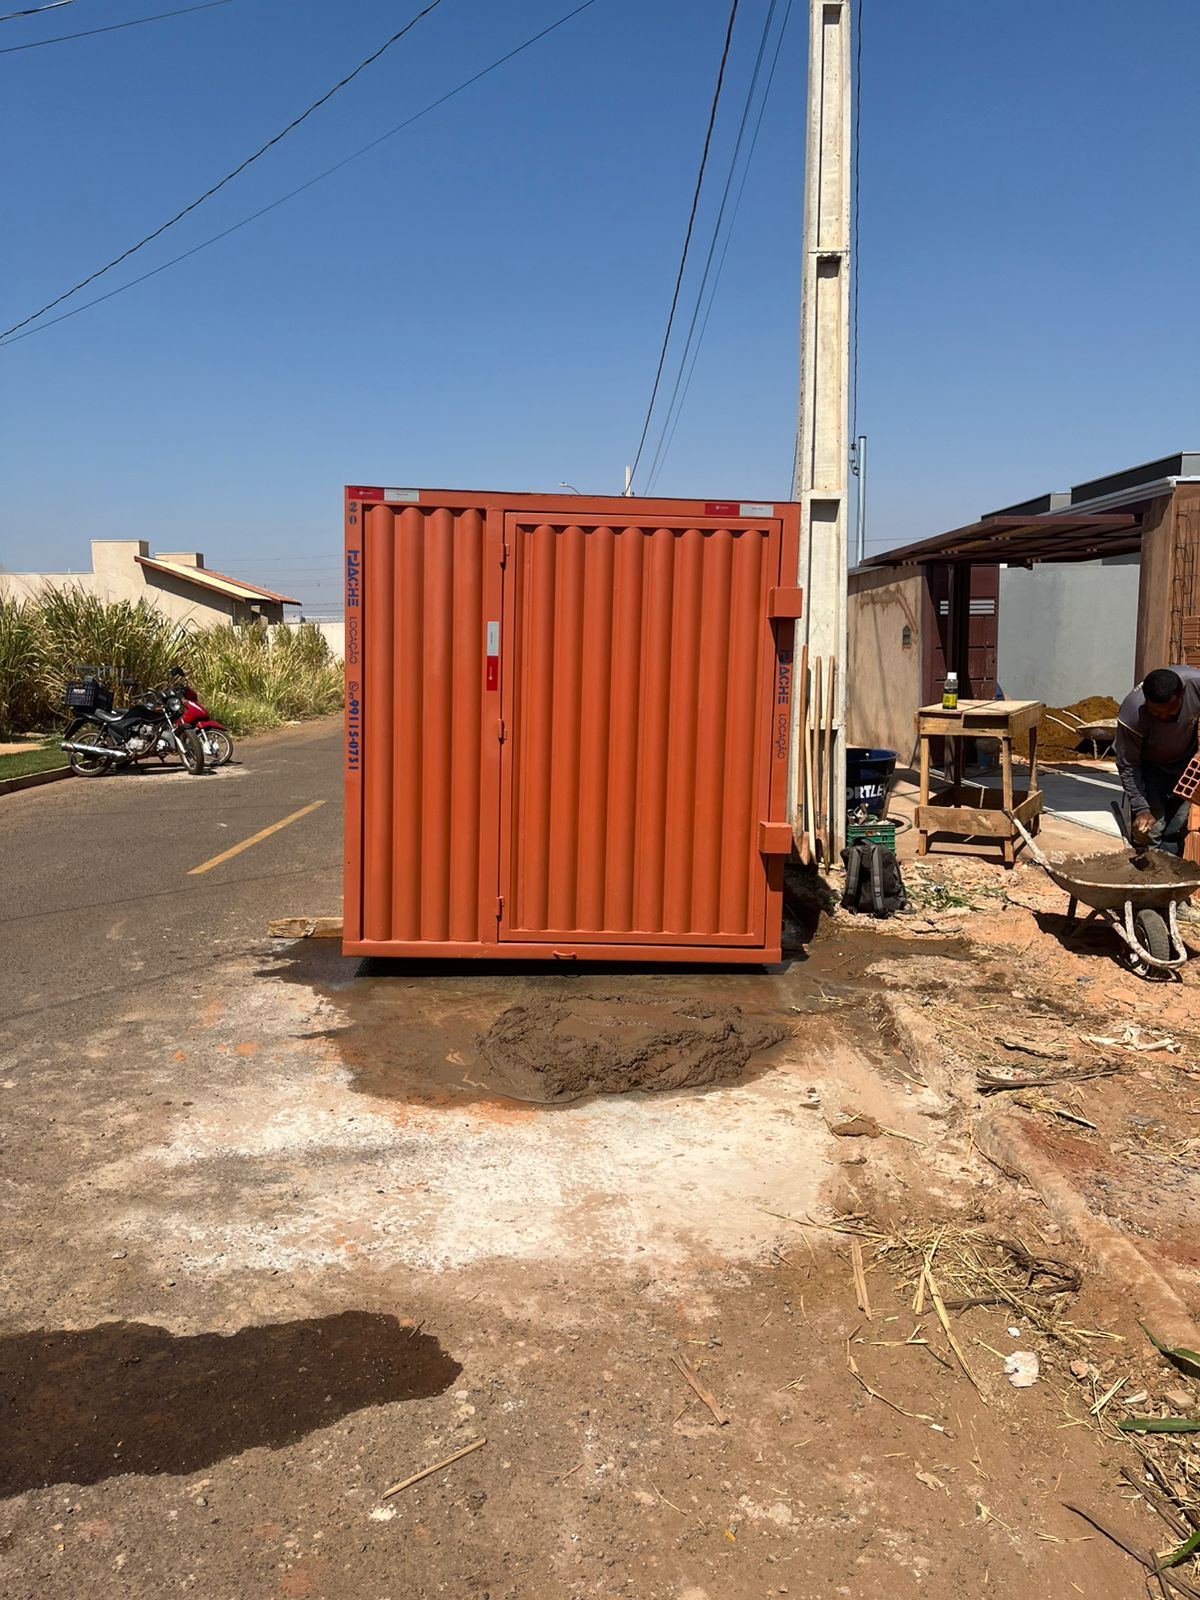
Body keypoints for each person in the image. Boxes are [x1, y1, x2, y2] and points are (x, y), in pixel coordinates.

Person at [1113, 666, 1200, 856]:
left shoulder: (1196, 684)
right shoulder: (1132, 714)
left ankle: (1170, 869)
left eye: (1170, 710)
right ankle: (1152, 871)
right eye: (1156, 713)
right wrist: (1140, 807)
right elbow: (1128, 764)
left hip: (1185, 768)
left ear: (1182, 695)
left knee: (1176, 828)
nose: (1163, 716)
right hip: (1149, 768)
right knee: (1154, 828)